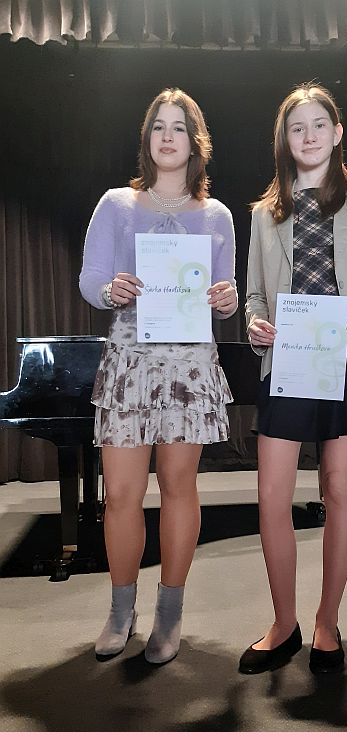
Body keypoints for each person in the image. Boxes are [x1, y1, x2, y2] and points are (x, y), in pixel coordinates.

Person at [240, 83, 347, 675]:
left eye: (317, 125)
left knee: (338, 492)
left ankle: (327, 622)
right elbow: (255, 296)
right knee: (271, 496)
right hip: (288, 361)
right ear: (284, 140)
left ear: (337, 133)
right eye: (296, 127)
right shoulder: (263, 214)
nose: (307, 136)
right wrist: (255, 323)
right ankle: (283, 624)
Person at [79, 88, 238, 664]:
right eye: (158, 127)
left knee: (178, 488)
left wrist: (227, 299)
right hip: (130, 362)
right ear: (146, 140)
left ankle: (169, 616)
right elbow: (91, 279)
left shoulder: (217, 215)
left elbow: (226, 292)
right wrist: (109, 289)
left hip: (189, 366)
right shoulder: (116, 204)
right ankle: (121, 611)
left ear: (196, 142)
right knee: (121, 494)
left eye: (179, 127)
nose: (168, 137)